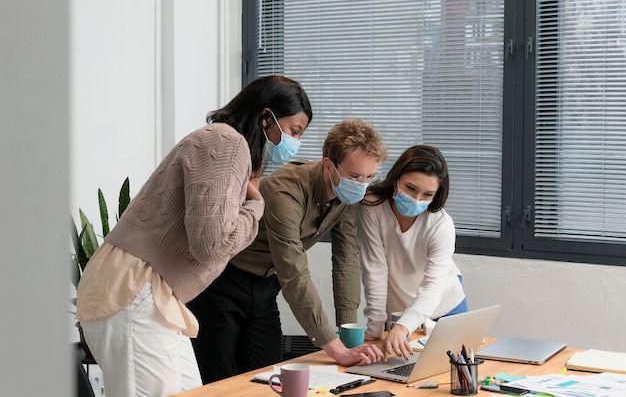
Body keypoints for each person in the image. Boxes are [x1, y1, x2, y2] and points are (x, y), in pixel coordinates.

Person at [75, 75, 312, 397]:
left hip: (150, 292)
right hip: (135, 288)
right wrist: (257, 207)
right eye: (293, 131)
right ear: (266, 117)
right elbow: (211, 245)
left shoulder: (222, 142)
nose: (294, 143)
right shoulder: (226, 143)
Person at [188, 118, 388, 383]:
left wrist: (348, 334)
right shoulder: (286, 191)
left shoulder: (348, 195)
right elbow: (293, 272)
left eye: (369, 177)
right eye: (355, 177)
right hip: (223, 283)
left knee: (270, 378)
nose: (362, 185)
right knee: (221, 380)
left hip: (265, 286)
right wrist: (335, 348)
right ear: (329, 165)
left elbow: (346, 258)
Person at [357, 144, 468, 361]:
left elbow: (432, 286)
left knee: (450, 378)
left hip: (445, 305)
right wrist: (375, 327)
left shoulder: (441, 224)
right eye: (410, 188)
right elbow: (375, 269)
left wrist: (403, 327)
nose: (417, 199)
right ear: (396, 177)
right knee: (398, 374)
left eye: (428, 194)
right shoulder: (372, 206)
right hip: (399, 313)